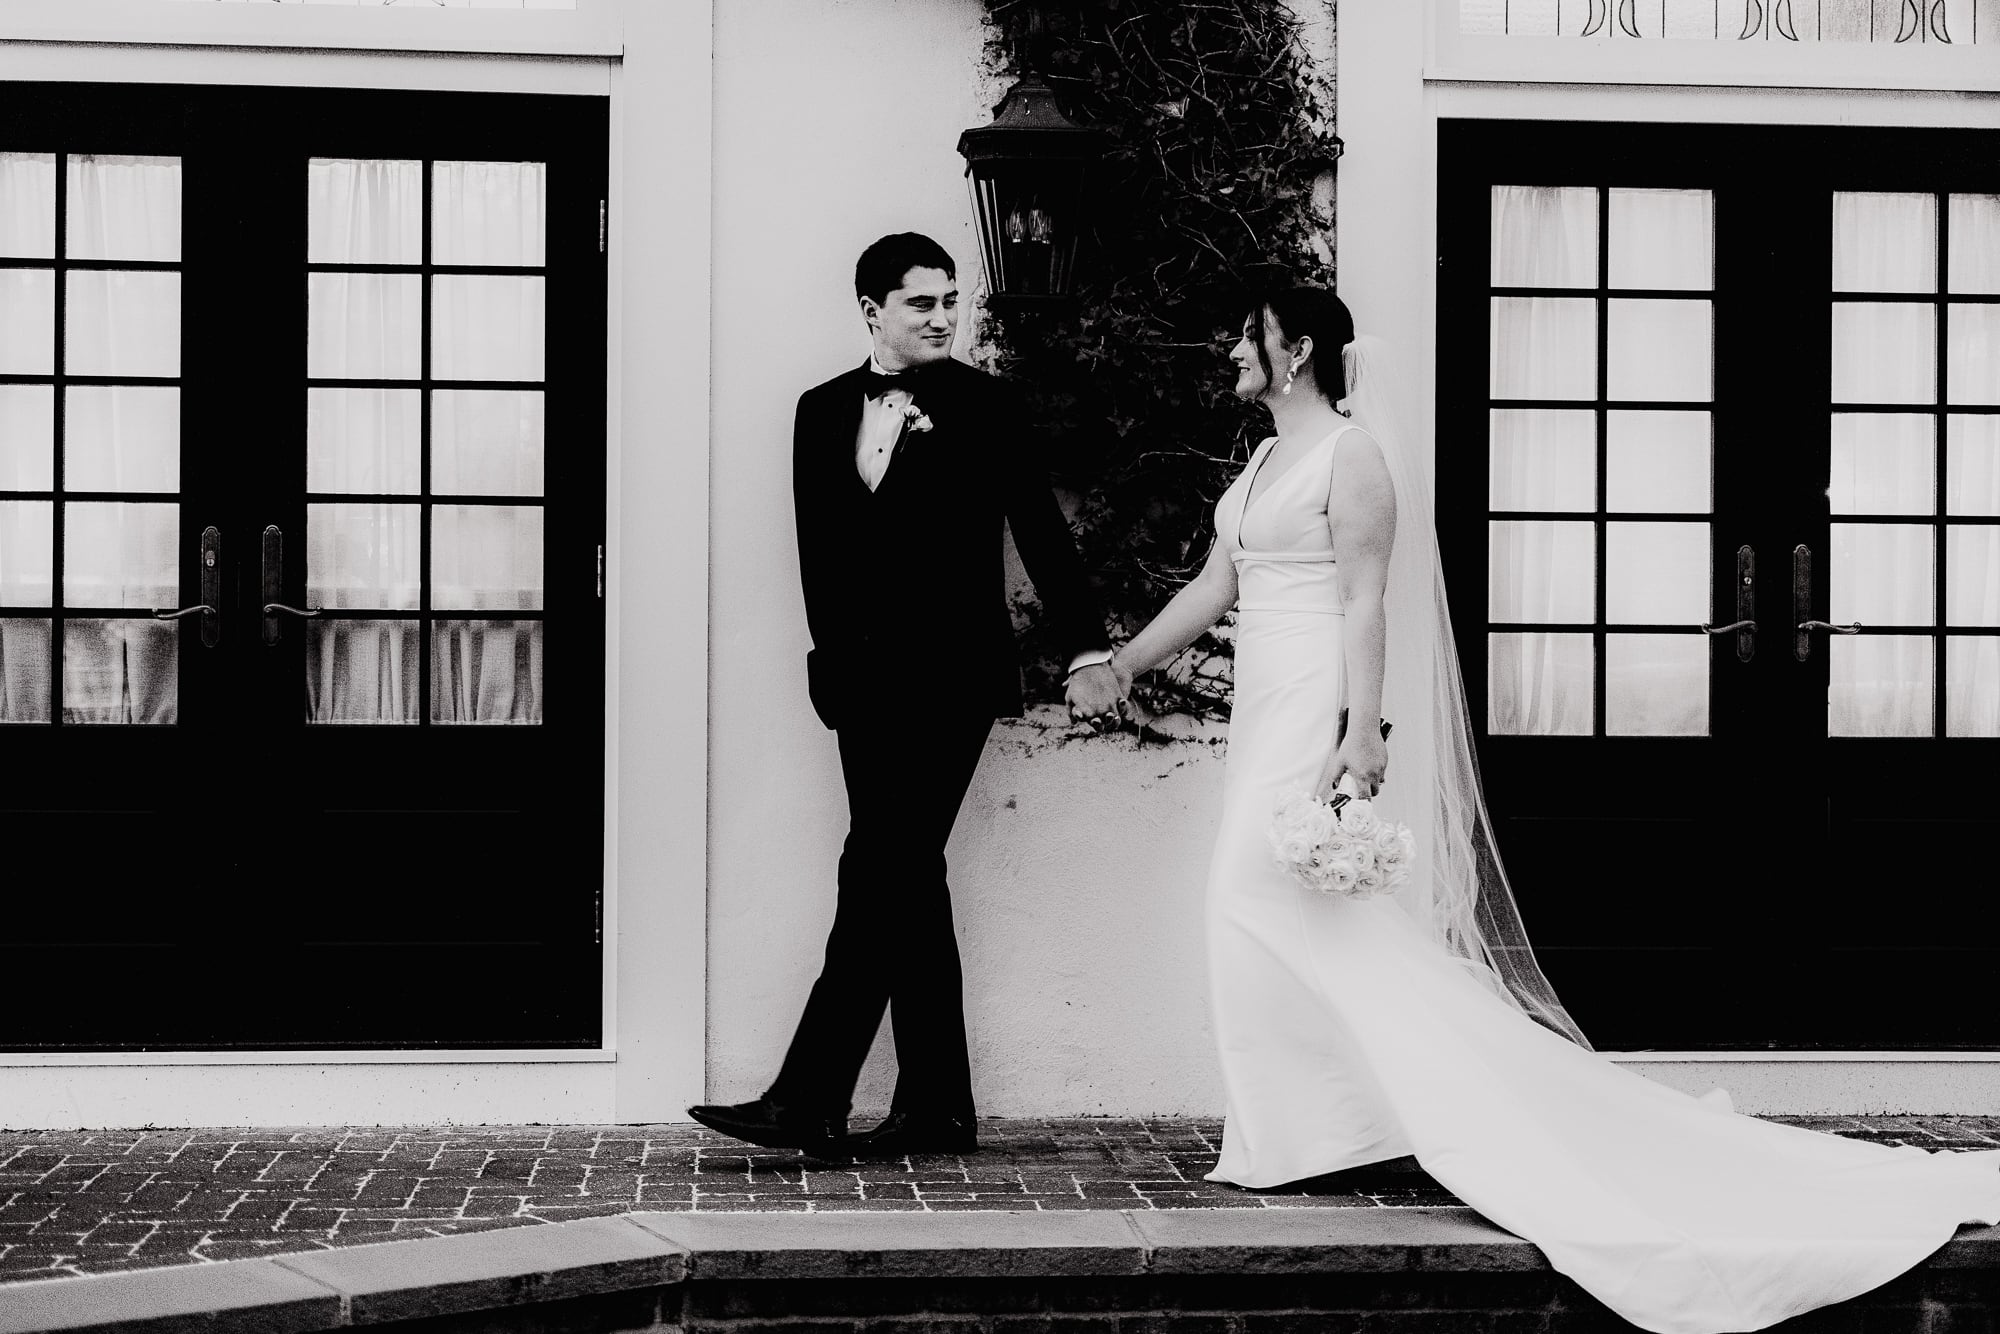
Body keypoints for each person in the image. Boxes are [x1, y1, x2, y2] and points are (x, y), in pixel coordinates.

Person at [1099, 284, 2000, 1334]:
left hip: (1311, 704)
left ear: (1295, 350)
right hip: (1261, 701)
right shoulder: (1257, 464)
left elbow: (1361, 597)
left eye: (1244, 335)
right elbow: (1217, 583)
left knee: (1247, 898)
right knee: (1270, 917)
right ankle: (1304, 1129)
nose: (1229, 351)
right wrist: (1122, 660)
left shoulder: (1350, 458)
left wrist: (1360, 727)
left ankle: (1366, 1116)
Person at [688, 233, 1124, 1159]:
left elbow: (1041, 532)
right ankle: (936, 1107)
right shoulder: (816, 412)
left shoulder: (988, 406)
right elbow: (820, 556)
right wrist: (833, 667)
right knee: (904, 876)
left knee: (879, 868)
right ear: (872, 310)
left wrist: (1088, 645)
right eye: (921, 302)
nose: (941, 317)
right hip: (864, 688)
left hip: (954, 680)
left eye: (949, 301)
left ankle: (809, 1092)